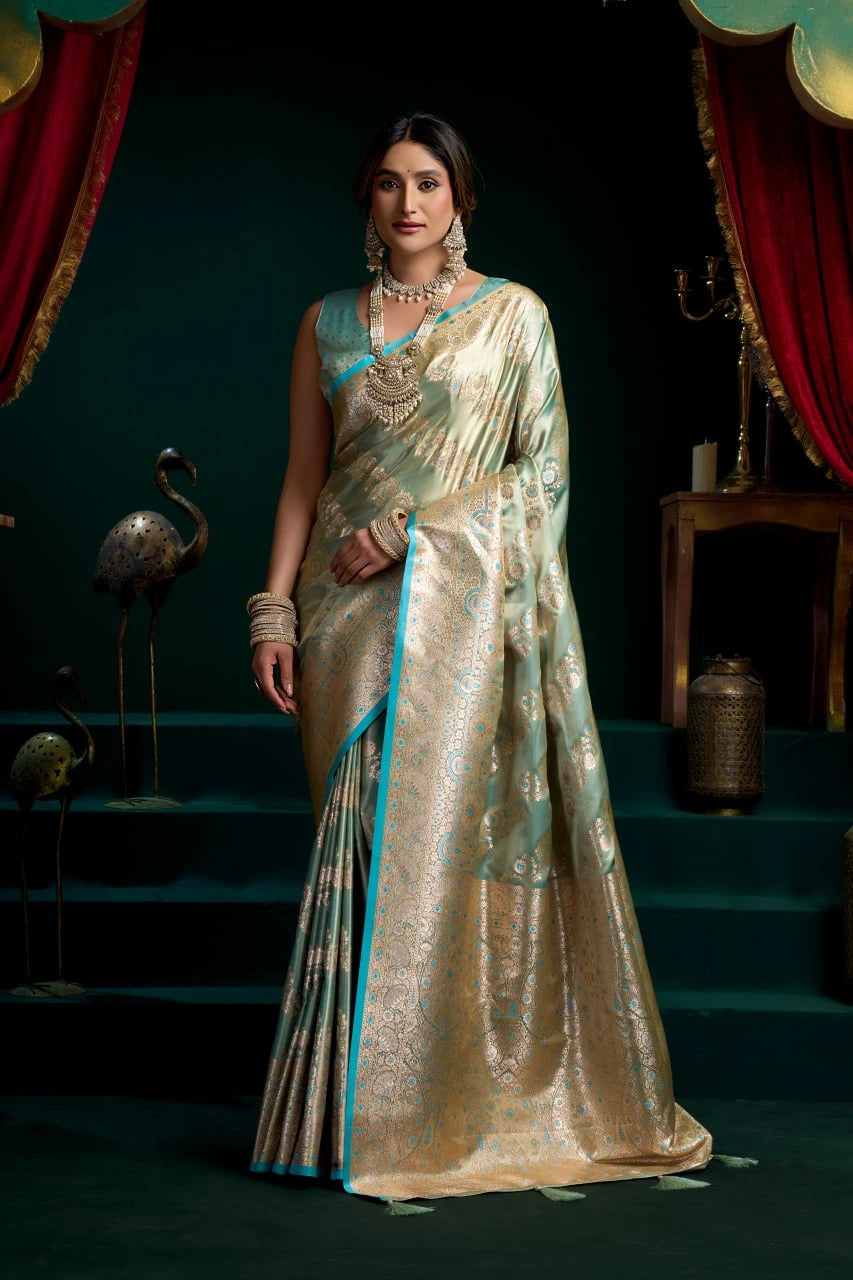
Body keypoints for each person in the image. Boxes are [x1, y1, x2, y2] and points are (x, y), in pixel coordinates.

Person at [247, 111, 714, 1206]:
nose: (408, 204)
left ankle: (413, 1110)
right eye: (388, 184)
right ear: (365, 200)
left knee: (414, 831)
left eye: (429, 183)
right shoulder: (324, 323)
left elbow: (542, 480)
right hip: (340, 613)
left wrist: (417, 532)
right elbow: (302, 484)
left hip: (450, 614)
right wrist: (273, 608)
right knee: (353, 840)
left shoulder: (513, 320)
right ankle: (328, 1117)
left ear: (459, 199)